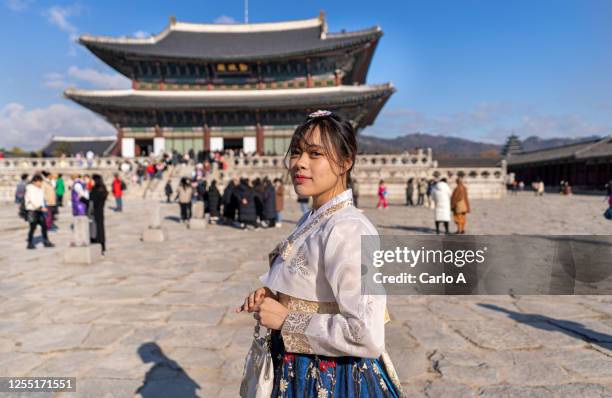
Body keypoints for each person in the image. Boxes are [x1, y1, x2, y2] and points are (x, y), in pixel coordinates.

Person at [236, 110, 402, 397]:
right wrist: (275, 295)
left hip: (329, 377)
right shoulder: (315, 218)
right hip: (296, 367)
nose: (299, 163)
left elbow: (366, 333)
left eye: (315, 154)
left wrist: (287, 320)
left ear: (345, 162)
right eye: (297, 152)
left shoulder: (349, 229)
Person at [24, 174, 54, 249]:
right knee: (32, 228)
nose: (40, 184)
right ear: (35, 182)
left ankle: (46, 241)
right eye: (39, 182)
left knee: (44, 226)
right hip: (32, 211)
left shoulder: (39, 189)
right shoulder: (30, 189)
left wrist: (45, 205)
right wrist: (40, 207)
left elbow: (42, 199)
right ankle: (30, 243)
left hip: (40, 211)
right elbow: (33, 200)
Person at [90, 174, 108, 255]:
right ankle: (102, 247)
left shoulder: (96, 190)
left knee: (96, 230)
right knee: (100, 229)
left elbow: (93, 202)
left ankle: (98, 246)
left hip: (96, 212)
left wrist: (82, 198)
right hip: (100, 212)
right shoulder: (103, 189)